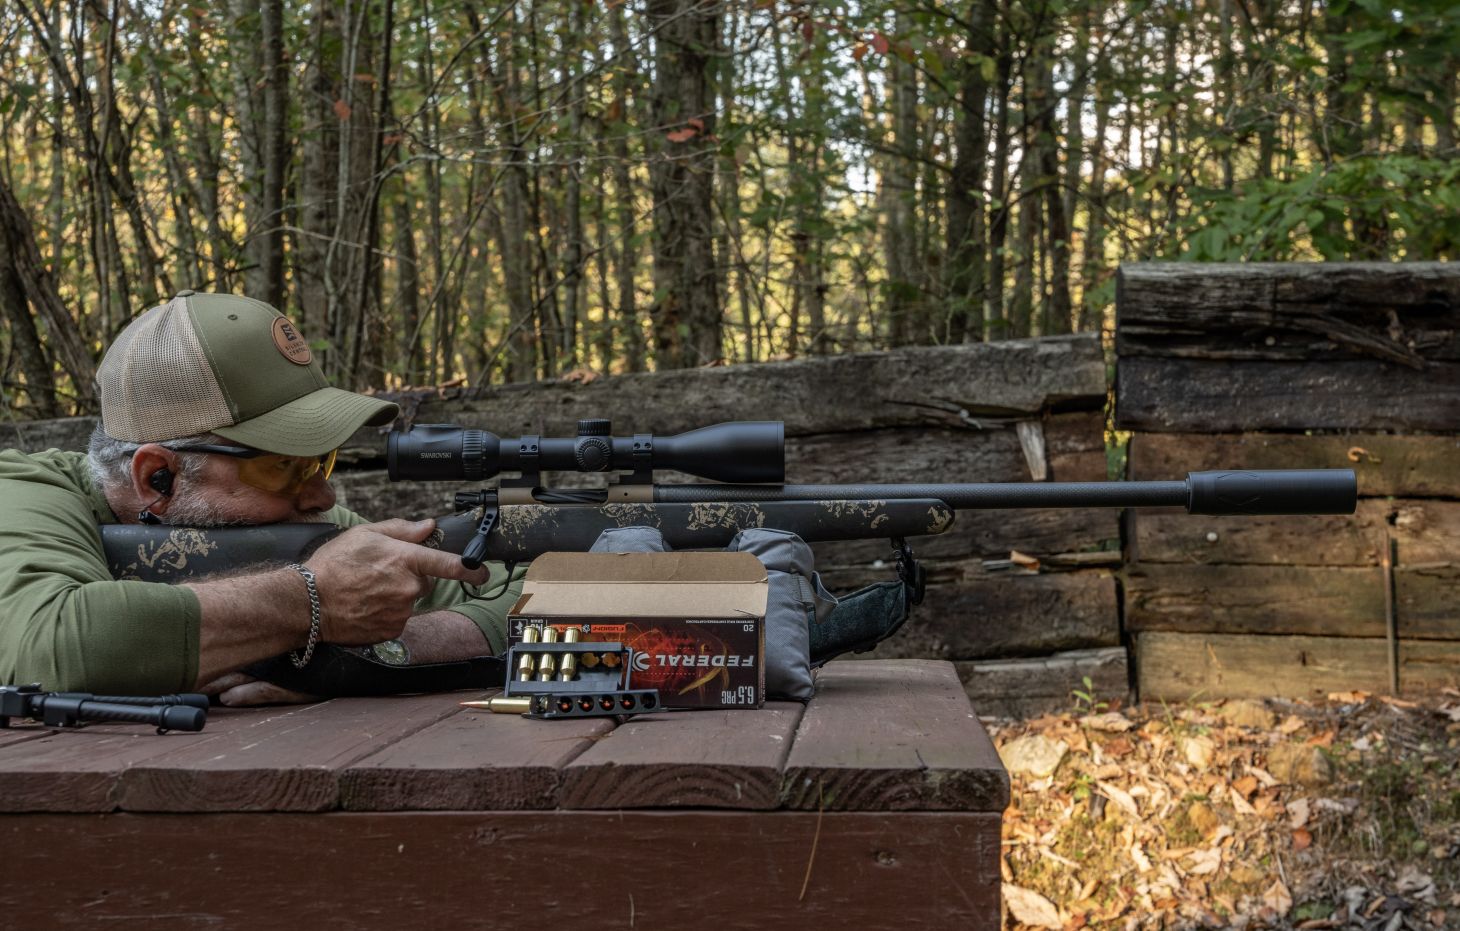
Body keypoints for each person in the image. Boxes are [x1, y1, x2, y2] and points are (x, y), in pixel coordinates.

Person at [0, 291, 521, 705]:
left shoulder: (304, 518)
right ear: (158, 476)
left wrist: (366, 656)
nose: (322, 494)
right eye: (281, 466)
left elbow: (526, 600)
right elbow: (47, 646)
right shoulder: (23, 495)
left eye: (322, 461)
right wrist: (312, 601)